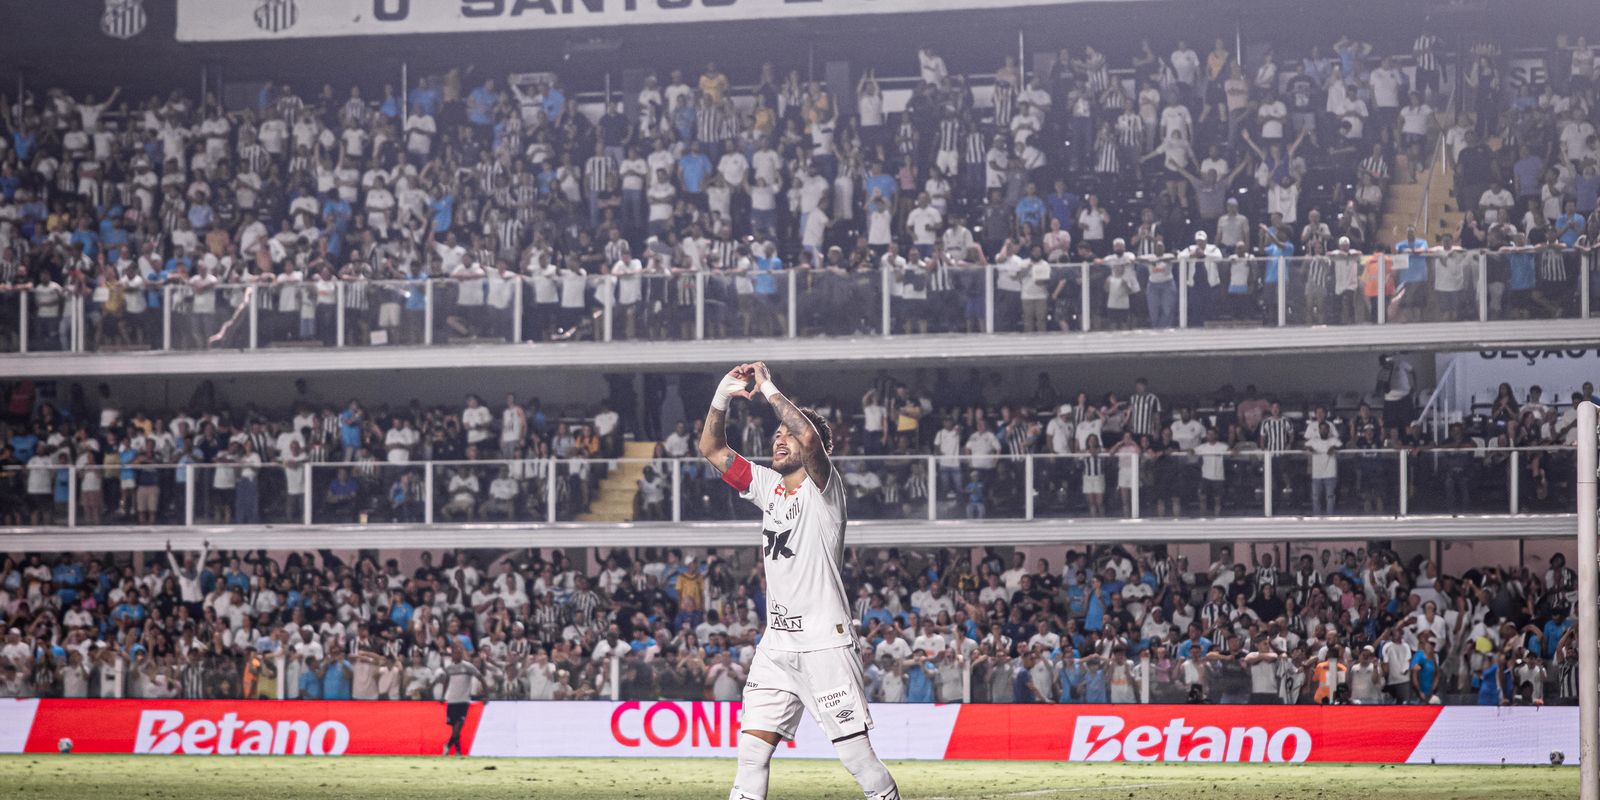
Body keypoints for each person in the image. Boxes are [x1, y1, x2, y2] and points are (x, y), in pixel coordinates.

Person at [699, 362, 898, 800]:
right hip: (777, 648)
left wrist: (768, 387)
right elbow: (712, 448)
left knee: (857, 760)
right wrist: (723, 394)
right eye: (777, 434)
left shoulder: (826, 491)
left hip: (825, 645)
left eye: (787, 433)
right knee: (751, 756)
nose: (780, 438)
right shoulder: (767, 486)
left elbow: (808, 437)